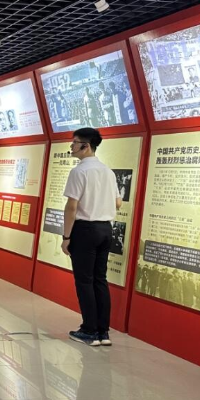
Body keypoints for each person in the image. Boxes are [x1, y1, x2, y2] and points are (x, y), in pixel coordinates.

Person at [61, 127, 122, 347]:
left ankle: (89, 330)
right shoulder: (107, 171)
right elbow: (118, 203)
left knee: (84, 281)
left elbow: (71, 207)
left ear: (85, 146)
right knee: (100, 280)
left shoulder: (79, 172)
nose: (71, 146)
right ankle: (103, 332)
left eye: (75, 142)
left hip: (85, 230)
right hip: (105, 229)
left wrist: (66, 237)